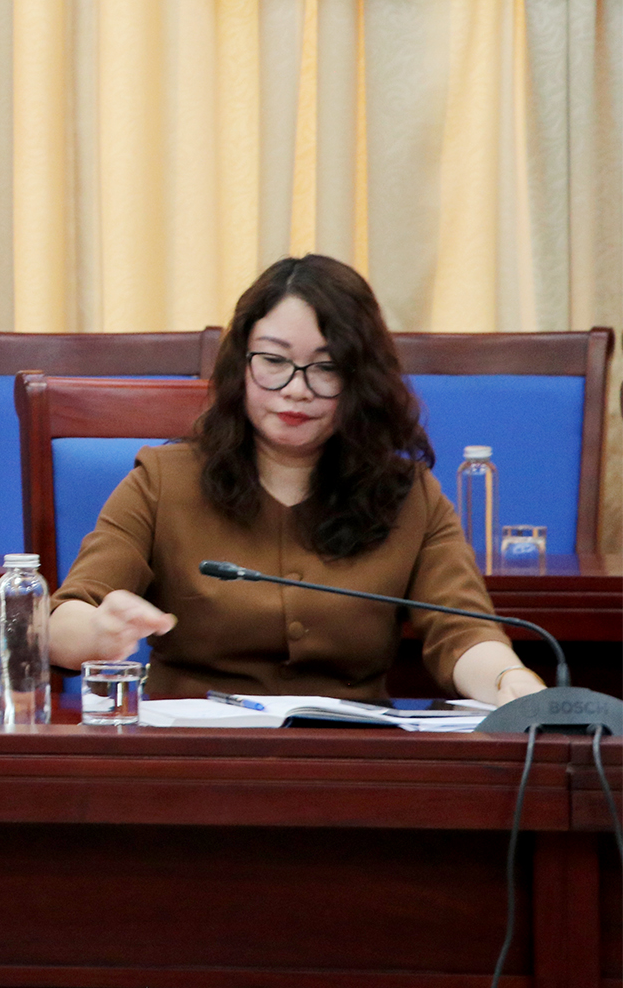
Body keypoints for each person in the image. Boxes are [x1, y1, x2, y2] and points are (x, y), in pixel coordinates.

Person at [49, 254, 547, 705]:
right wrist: (98, 631)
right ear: (241, 365)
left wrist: (510, 681)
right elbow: (61, 622)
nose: (296, 389)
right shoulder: (163, 482)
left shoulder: (407, 495)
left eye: (326, 368)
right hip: (198, 755)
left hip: (350, 757)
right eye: (273, 361)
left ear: (360, 380)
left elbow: (464, 632)